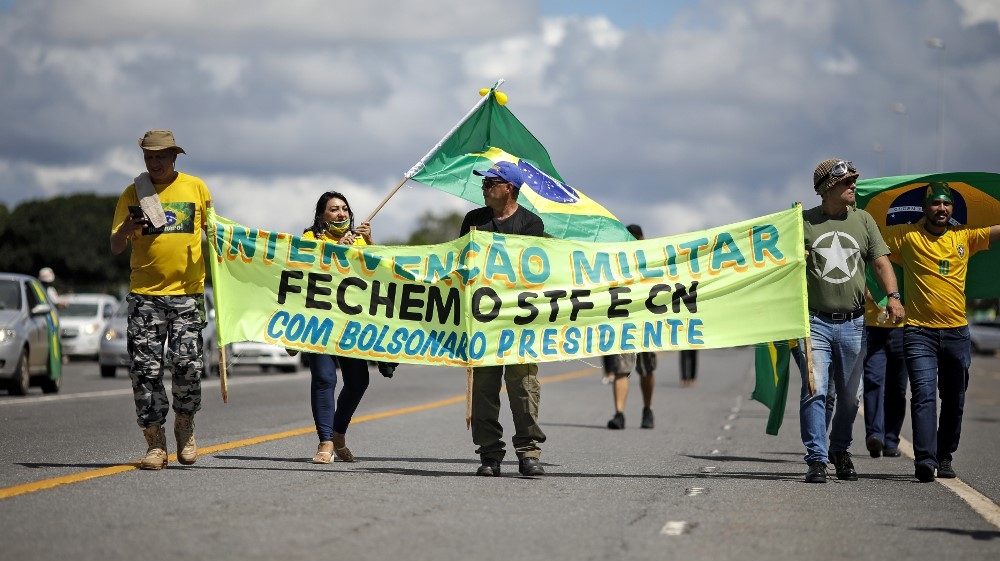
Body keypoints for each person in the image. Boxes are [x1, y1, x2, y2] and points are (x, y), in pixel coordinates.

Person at [881, 182, 1000, 482]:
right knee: (922, 394)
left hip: (957, 334)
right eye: (936, 204)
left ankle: (945, 455)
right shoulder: (907, 236)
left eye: (947, 204)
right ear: (925, 207)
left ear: (952, 209)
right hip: (918, 333)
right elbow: (872, 244)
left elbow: (995, 232)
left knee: (954, 398)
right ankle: (925, 459)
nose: (942, 209)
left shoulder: (965, 237)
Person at [796, 158, 904, 484]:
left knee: (848, 398)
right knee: (816, 391)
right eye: (847, 182)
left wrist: (894, 297)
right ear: (829, 188)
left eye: (853, 181)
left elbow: (882, 263)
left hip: (855, 324)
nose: (853, 186)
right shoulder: (801, 223)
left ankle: (839, 449)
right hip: (815, 322)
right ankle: (816, 459)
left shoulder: (864, 221)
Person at [110, 129, 212, 470]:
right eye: (148, 157)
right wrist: (126, 227)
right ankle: (155, 443)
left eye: (160, 157)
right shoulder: (133, 192)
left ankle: (185, 425)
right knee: (145, 370)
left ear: (174, 157)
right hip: (145, 297)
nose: (154, 163)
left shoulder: (196, 187)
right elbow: (115, 245)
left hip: (187, 295)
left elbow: (213, 233)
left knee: (188, 367)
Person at [460, 161, 546, 477]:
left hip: (520, 324)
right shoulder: (473, 221)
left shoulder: (530, 224)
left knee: (523, 388)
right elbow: (461, 264)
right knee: (483, 390)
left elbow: (529, 271)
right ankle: (490, 454)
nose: (483, 188)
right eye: (483, 184)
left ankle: (528, 452)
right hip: (483, 323)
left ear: (508, 187)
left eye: (489, 183)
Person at [296, 190, 385, 464]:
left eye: (345, 209)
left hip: (352, 323)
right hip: (320, 320)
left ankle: (338, 433)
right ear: (322, 215)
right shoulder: (310, 239)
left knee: (359, 380)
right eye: (334, 209)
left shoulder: (360, 242)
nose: (341, 214)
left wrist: (369, 242)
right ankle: (325, 441)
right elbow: (302, 270)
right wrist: (335, 252)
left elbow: (381, 275)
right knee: (325, 378)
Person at [604, 223, 658, 429]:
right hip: (623, 322)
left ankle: (648, 408)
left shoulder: (651, 262)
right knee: (621, 369)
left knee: (646, 370)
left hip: (645, 321)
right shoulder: (617, 264)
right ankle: (619, 413)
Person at [861, 288, 908, 459]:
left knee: (898, 388)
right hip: (871, 327)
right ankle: (875, 436)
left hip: (901, 327)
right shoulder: (868, 259)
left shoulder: (905, 259)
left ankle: (890, 441)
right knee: (872, 381)